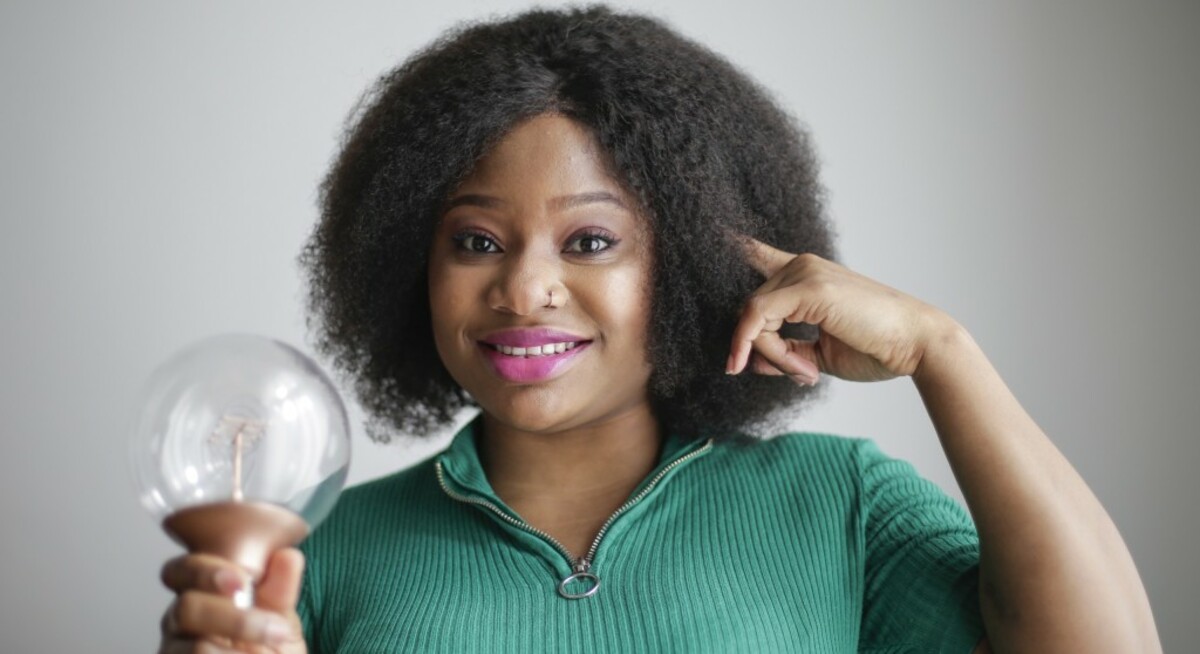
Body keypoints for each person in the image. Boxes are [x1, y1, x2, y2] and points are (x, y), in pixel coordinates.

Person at [157, 6, 1161, 653]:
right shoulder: (320, 554)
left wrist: (943, 350)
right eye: (475, 241)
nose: (525, 289)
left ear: (683, 266)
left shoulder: (840, 507)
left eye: (590, 242)